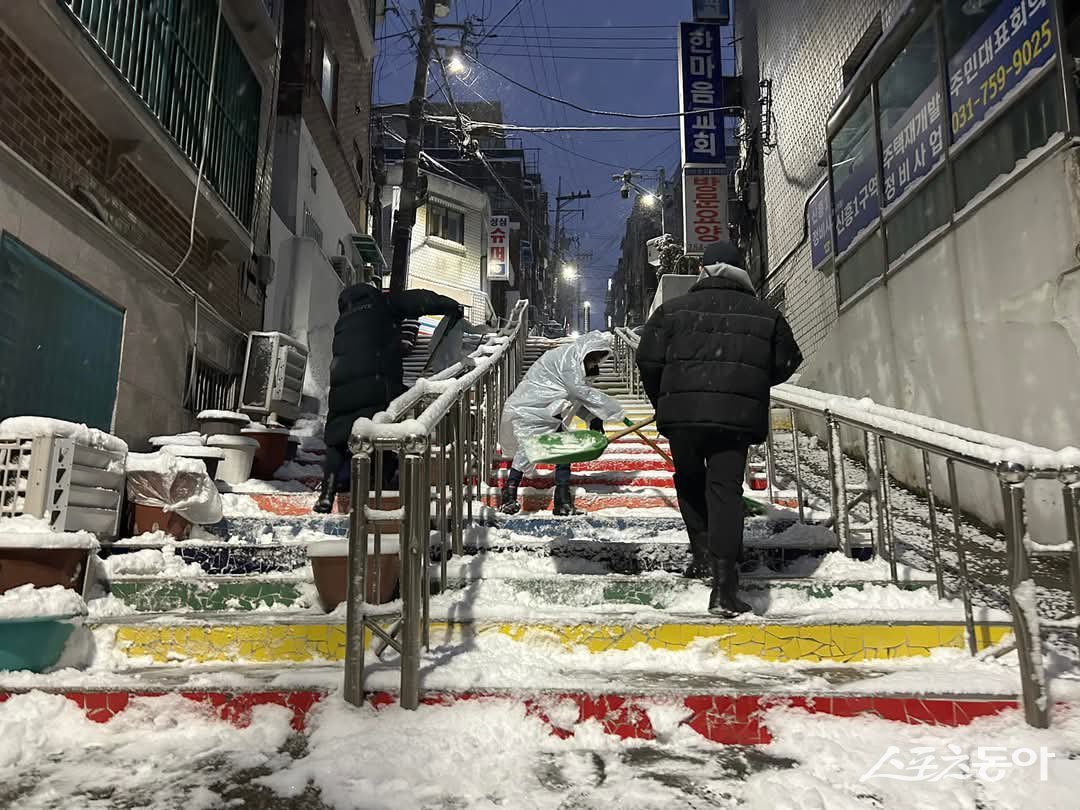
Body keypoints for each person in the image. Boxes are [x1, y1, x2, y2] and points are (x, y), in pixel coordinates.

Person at [636, 241, 802, 617]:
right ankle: (724, 590)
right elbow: (787, 361)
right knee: (725, 491)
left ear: (703, 272)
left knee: (690, 481)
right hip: (735, 418)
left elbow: (647, 360)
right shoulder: (765, 315)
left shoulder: (671, 312)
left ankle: (701, 555)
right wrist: (748, 379)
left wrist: (664, 397)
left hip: (683, 415)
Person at [314, 273, 463, 514]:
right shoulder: (382, 304)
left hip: (341, 389)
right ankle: (378, 493)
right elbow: (418, 301)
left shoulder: (344, 320)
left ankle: (327, 494)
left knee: (337, 438)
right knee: (384, 434)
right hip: (376, 383)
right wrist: (449, 305)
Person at [499, 331, 626, 517]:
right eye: (594, 359)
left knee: (559, 450)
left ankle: (558, 499)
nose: (595, 364)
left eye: (598, 361)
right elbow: (581, 393)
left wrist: (594, 418)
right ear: (587, 353)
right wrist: (611, 411)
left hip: (549, 408)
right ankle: (514, 496)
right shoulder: (569, 361)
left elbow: (576, 399)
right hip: (533, 405)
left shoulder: (575, 363)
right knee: (531, 448)